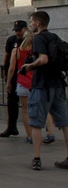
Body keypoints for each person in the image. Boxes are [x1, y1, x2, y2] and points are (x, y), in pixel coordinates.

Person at [20, 11, 68, 170]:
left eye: (32, 22)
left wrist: (29, 66)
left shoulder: (39, 38)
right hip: (58, 84)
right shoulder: (54, 37)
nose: (31, 24)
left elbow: (44, 59)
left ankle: (37, 158)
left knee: (36, 123)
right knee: (65, 122)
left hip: (42, 86)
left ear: (38, 23)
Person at [0, 20, 29, 137]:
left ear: (25, 29)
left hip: (26, 74)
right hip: (14, 75)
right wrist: (6, 73)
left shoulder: (29, 40)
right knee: (12, 101)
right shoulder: (12, 40)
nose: (17, 33)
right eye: (16, 30)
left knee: (27, 105)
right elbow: (7, 57)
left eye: (19, 30)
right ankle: (11, 126)